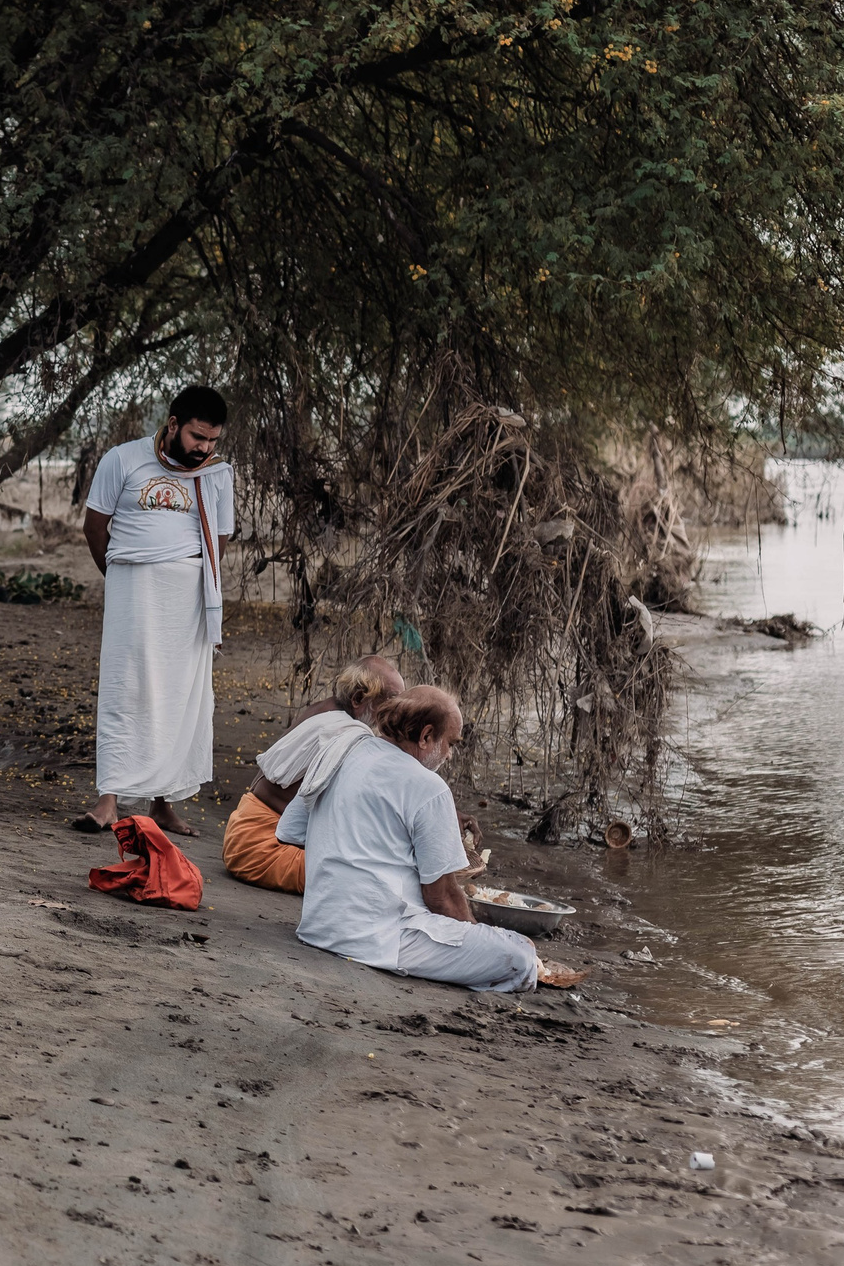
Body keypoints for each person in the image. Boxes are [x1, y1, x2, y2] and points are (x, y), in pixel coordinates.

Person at [275, 685, 583, 992]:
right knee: (521, 955)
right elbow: (442, 898)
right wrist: (475, 938)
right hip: (377, 937)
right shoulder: (428, 786)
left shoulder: (343, 752)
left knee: (507, 944)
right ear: (425, 736)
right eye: (449, 743)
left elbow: (292, 831)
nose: (449, 755)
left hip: (318, 924)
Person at [76, 385, 236, 837]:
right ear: (172, 425)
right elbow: (95, 527)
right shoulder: (123, 459)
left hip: (187, 601)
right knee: (124, 688)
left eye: (212, 440)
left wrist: (185, 577)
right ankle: (109, 800)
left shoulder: (217, 474)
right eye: (196, 437)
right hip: (131, 586)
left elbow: (218, 541)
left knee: (179, 697)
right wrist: (124, 576)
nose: (203, 448)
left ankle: (162, 803)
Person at [220, 655, 405, 893]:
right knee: (377, 880)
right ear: (359, 698)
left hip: (244, 834)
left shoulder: (325, 710)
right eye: (391, 701)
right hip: (261, 848)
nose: (396, 712)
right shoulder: (348, 731)